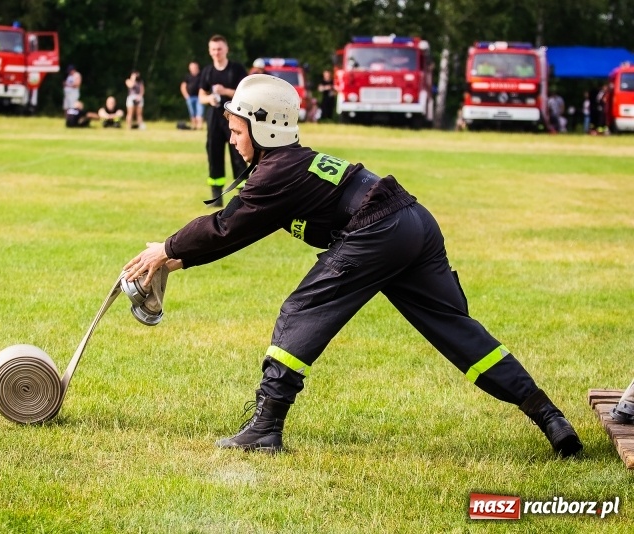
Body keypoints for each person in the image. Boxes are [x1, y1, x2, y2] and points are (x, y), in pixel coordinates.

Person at [123, 74, 583, 458]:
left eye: (237, 129)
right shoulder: (287, 165)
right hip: (414, 222)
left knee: (301, 312)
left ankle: (265, 428)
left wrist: (165, 248)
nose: (231, 137)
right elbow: (240, 230)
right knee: (455, 329)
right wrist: (175, 257)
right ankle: (547, 414)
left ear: (265, 128)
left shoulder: (277, 170)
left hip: (377, 229)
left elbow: (226, 225)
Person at [198, 34, 248, 207]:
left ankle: (243, 195)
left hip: (234, 116)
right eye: (213, 49)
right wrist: (209, 99)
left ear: (226, 49)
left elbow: (246, 94)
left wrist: (225, 91)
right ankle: (216, 195)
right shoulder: (207, 71)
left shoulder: (236, 70)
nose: (216, 52)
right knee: (214, 152)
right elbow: (201, 96)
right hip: (214, 118)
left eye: (219, 49)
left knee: (239, 152)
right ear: (209, 51)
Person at [180, 62, 204, 131]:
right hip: (190, 97)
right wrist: (186, 96)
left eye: (194, 67)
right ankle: (194, 126)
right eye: (192, 68)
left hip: (199, 97)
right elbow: (183, 86)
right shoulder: (187, 76)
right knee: (192, 113)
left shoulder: (201, 75)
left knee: (200, 112)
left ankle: (200, 126)